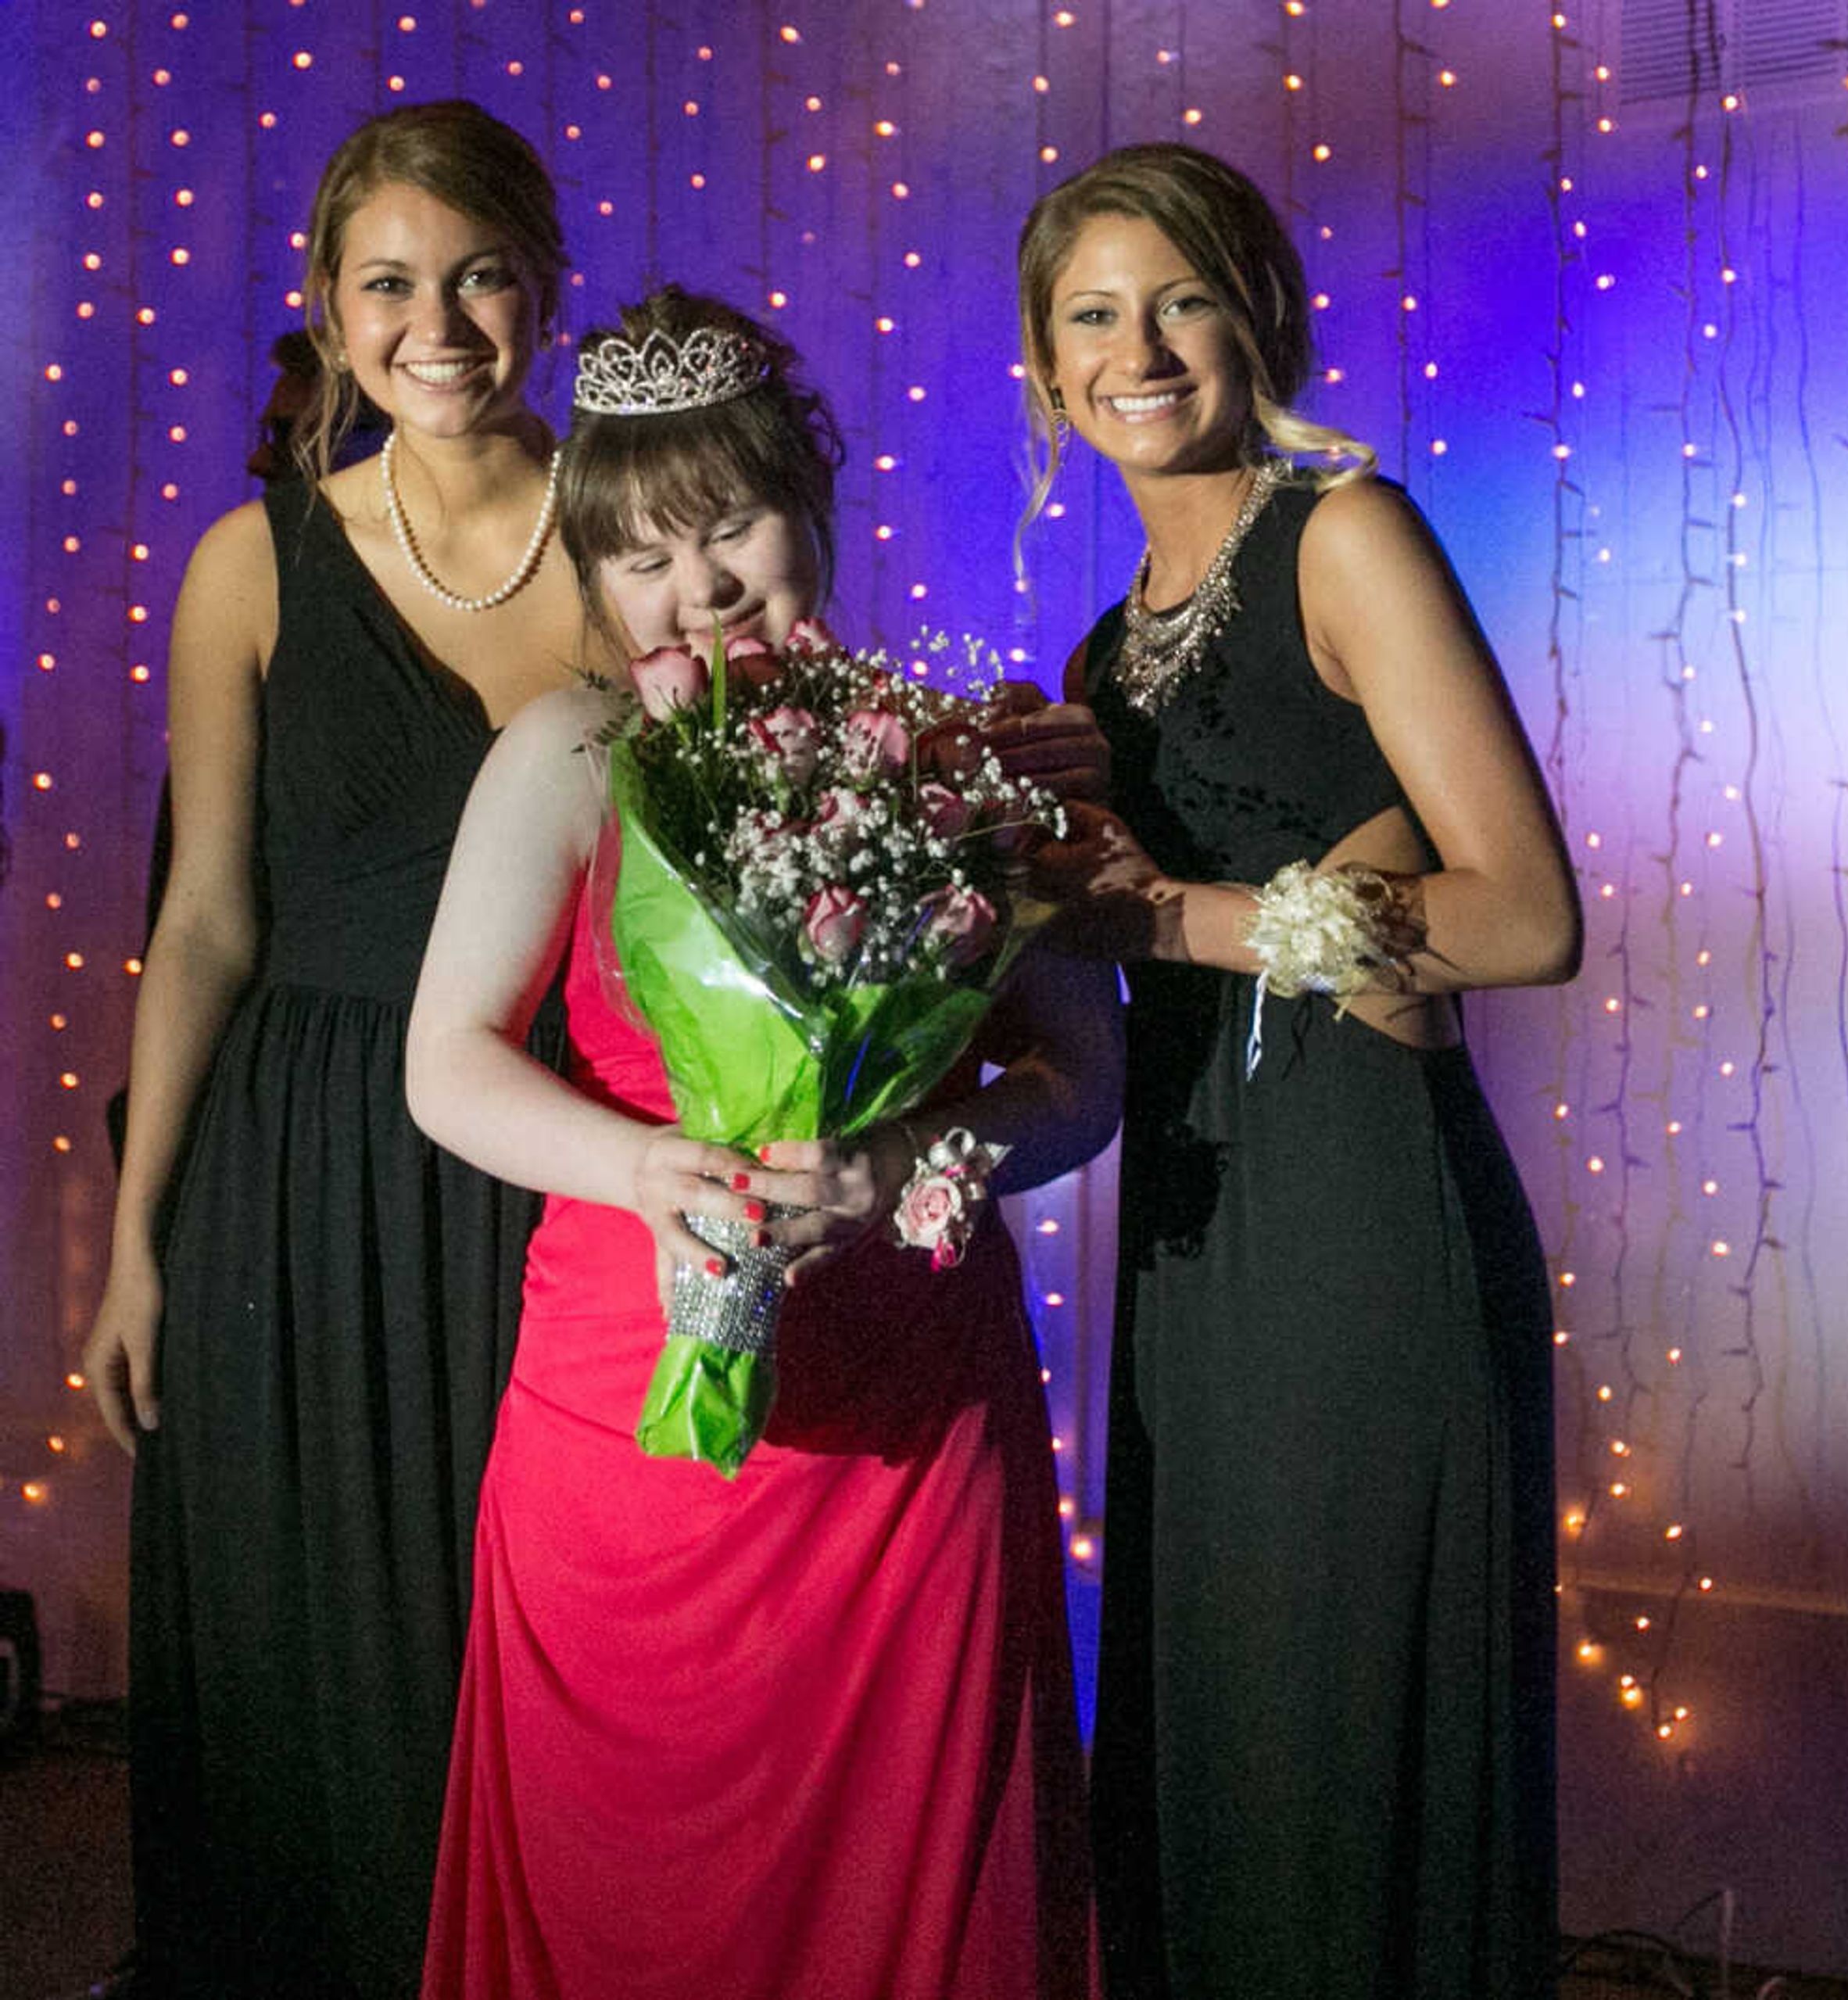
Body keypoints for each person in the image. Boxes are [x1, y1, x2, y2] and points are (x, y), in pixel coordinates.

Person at [403, 285, 1108, 2000]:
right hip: (617, 1412)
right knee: (614, 1879)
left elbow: (1078, 1084)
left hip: (908, 1417)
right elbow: (446, 1067)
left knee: (913, 1886)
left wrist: (907, 1168)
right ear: (590, 574)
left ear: (817, 512)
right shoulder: (567, 754)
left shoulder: (958, 762)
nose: (697, 589)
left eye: (732, 528)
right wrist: (647, 1170)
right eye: (641, 553)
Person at [1015, 142, 1581, 1998]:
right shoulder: (1100, 657)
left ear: (1257, 311)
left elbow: (1521, 914)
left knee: (1350, 1726)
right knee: (1223, 1720)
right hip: (1197, 1233)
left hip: (1361, 1211)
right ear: (1043, 367)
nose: (1142, 346)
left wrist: (1175, 912)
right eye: (1094, 314)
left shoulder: (1348, 536)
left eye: (1181, 296)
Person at [77, 100, 585, 1999]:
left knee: (510, 1661)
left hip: (544, 1171)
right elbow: (205, 919)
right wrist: (137, 1242)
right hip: (286, 1185)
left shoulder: (642, 533)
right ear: (325, 303)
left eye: (474, 277)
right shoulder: (250, 561)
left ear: (545, 285)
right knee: (300, 1672)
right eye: (389, 283)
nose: (434, 322)